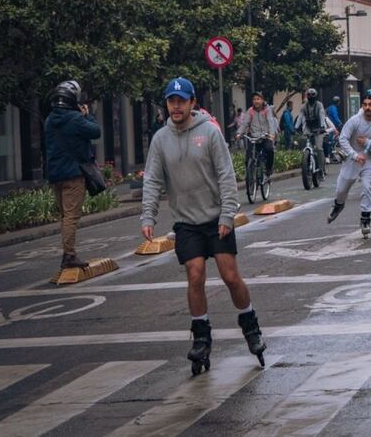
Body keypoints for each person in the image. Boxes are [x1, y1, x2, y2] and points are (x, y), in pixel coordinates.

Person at [141, 77, 265, 373]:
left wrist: (227, 215)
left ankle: (250, 325)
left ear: (192, 103)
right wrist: (148, 215)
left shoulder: (209, 132)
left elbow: (225, 175)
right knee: (194, 275)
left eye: (181, 101)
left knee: (230, 275)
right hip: (187, 222)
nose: (176, 106)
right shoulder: (160, 139)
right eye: (171, 101)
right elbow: (153, 180)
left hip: (216, 218)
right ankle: (201, 336)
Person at [44, 80, 101, 270]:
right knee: (71, 216)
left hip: (55, 176)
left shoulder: (49, 120)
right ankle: (69, 256)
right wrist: (88, 115)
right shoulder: (75, 119)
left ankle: (69, 253)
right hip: (73, 175)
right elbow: (95, 132)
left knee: (64, 216)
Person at [326, 92, 371, 238]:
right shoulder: (354, 120)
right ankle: (338, 205)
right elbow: (343, 139)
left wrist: (368, 143)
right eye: (365, 105)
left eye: (370, 105)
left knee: (367, 187)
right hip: (352, 159)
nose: (367, 108)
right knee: (341, 189)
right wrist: (354, 155)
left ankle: (365, 218)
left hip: (368, 160)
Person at [236, 92, 278, 178]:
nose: (256, 101)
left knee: (270, 150)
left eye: (258, 99)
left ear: (262, 100)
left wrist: (271, 134)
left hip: (265, 136)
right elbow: (245, 124)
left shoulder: (267, 110)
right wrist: (239, 133)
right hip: (253, 138)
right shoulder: (250, 111)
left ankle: (269, 169)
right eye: (254, 99)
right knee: (248, 158)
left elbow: (270, 122)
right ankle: (250, 178)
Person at [295, 88, 337, 165]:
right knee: (306, 144)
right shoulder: (303, 107)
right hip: (308, 127)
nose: (311, 101)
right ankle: (307, 161)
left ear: (315, 98)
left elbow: (321, 115)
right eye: (309, 98)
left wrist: (321, 127)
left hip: (318, 128)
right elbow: (300, 117)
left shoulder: (319, 105)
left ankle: (321, 168)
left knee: (319, 148)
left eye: (312, 99)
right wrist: (296, 127)